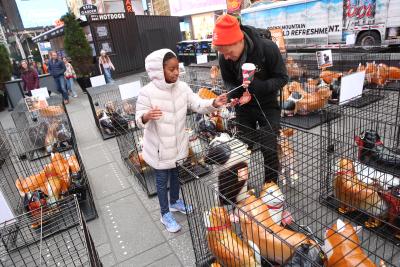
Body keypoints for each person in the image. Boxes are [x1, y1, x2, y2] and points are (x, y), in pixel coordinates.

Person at [135, 49, 227, 233]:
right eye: (171, 69)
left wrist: (214, 103)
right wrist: (146, 116)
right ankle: (164, 213)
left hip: (178, 145)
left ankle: (175, 202)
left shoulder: (182, 87)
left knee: (176, 175)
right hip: (159, 149)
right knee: (161, 182)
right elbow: (138, 120)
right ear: (159, 71)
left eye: (177, 68)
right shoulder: (147, 92)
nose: (176, 72)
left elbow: (198, 104)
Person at [212, 14, 288, 184]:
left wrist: (261, 86)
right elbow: (229, 82)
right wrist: (233, 95)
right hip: (244, 109)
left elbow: (282, 78)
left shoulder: (267, 48)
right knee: (241, 149)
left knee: (268, 148)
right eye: (222, 53)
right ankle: (240, 190)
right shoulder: (224, 57)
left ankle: (270, 188)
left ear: (239, 41)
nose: (226, 57)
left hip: (268, 105)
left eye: (229, 52)